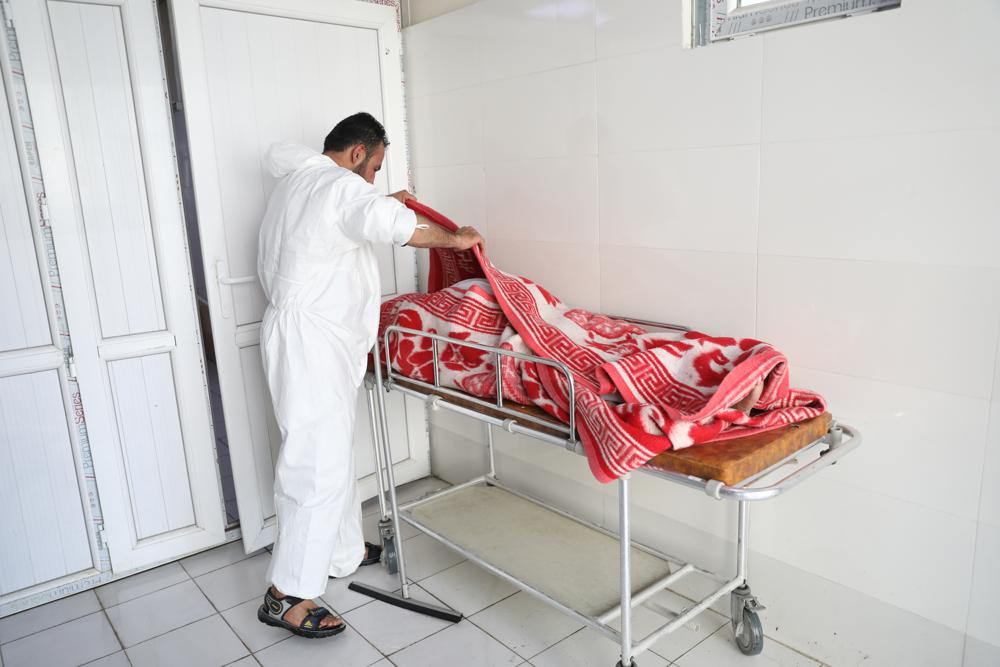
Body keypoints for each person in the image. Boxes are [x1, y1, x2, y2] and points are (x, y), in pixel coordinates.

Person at [255, 112, 484, 638]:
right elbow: (387, 226)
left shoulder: (302, 182)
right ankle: (286, 593)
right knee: (314, 461)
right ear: (357, 154)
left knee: (331, 451)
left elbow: (355, 217)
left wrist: (384, 202)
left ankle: (339, 552)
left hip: (306, 337)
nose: (374, 180)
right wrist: (454, 239)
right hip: (311, 342)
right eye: (375, 167)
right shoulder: (337, 187)